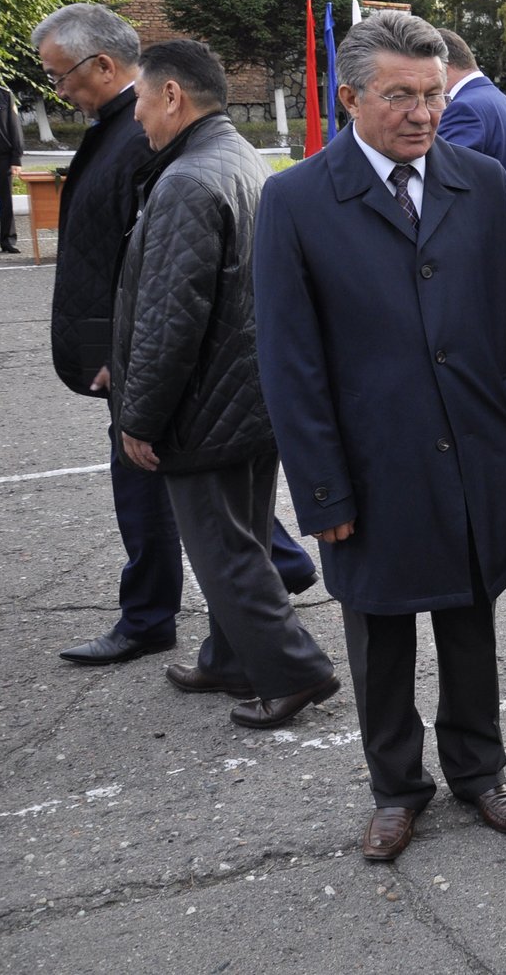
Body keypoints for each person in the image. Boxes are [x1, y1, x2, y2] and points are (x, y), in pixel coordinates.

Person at [255, 10, 506, 861]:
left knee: (470, 620)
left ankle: (480, 769)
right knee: (379, 634)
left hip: (473, 450)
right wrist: (323, 490)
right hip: (371, 464)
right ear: (351, 98)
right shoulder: (295, 201)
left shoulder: (480, 181)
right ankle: (396, 789)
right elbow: (289, 362)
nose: (422, 114)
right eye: (400, 97)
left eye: (432, 95)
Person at [34, 4, 317, 666]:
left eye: (60, 75)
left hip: (166, 368)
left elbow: (170, 290)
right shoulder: (160, 138)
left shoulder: (168, 152)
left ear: (108, 67)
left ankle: (273, 660)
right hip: (182, 366)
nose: (59, 90)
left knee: (190, 506)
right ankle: (239, 634)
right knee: (220, 509)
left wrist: (135, 389)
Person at [112, 39, 338, 727]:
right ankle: (229, 658)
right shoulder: (241, 157)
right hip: (250, 392)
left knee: (223, 549)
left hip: (206, 404)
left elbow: (170, 319)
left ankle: (295, 671)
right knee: (242, 536)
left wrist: (140, 417)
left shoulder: (186, 181)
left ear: (172, 95)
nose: (136, 116)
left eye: (140, 99)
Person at [435, 28, 506, 281]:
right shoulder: (503, 103)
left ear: (443, 66)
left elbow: (443, 192)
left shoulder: (463, 108)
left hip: (487, 269)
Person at [1, 81, 22, 252]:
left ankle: (7, 239)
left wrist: (16, 158)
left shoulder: (5, 95)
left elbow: (14, 127)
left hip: (2, 157)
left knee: (5, 200)